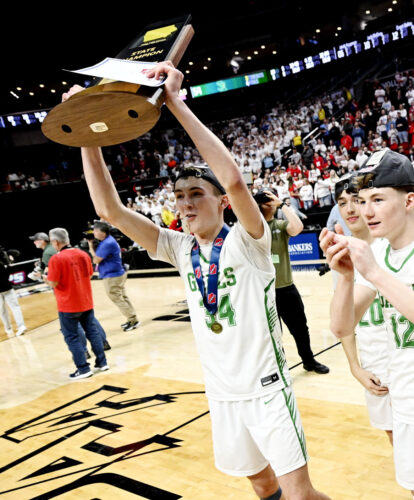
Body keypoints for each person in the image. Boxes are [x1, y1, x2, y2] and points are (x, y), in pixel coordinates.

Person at [64, 61, 330, 500]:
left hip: (266, 388)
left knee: (300, 494)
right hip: (221, 393)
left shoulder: (249, 239)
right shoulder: (177, 246)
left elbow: (235, 180)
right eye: (179, 197)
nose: (185, 204)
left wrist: (175, 102)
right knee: (261, 484)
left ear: (222, 203)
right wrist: (85, 135)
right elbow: (109, 210)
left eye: (196, 194)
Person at [319, 148, 414, 495]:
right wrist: (346, 277)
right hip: (404, 396)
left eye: (378, 199)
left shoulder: (377, 262)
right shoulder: (381, 254)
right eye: (362, 201)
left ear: (409, 200)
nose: (365, 211)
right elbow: (341, 326)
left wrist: (373, 272)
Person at [333, 175, 392, 443]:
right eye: (342, 203)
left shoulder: (392, 245)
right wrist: (355, 367)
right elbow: (344, 322)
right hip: (374, 362)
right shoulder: (341, 256)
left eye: (356, 200)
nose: (350, 209)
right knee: (394, 437)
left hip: (403, 356)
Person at [255, 189, 329, 375]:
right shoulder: (254, 229)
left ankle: (308, 361)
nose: (269, 203)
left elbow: (298, 227)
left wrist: (281, 204)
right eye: (265, 200)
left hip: (286, 288)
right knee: (272, 334)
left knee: (300, 328)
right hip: (264, 292)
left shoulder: (279, 225)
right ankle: (277, 368)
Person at [43, 228, 108, 380]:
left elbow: (53, 283)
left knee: (72, 337)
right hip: (85, 300)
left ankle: (83, 368)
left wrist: (44, 278)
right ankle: (102, 362)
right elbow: (90, 274)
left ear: (55, 242)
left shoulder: (56, 259)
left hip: (68, 305)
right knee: (92, 332)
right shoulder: (83, 254)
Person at [88, 221, 140, 332]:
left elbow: (96, 260)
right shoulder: (108, 240)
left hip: (112, 276)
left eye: (95, 231)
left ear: (102, 232)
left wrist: (91, 247)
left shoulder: (107, 243)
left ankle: (133, 320)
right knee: (122, 297)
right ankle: (132, 318)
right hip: (116, 273)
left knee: (117, 298)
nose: (94, 233)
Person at [0, 247, 27, 336]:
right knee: (14, 307)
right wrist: (10, 262)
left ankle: (8, 328)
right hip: (7, 287)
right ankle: (20, 326)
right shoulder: (3, 258)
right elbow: (8, 272)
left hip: (6, 287)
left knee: (2, 310)